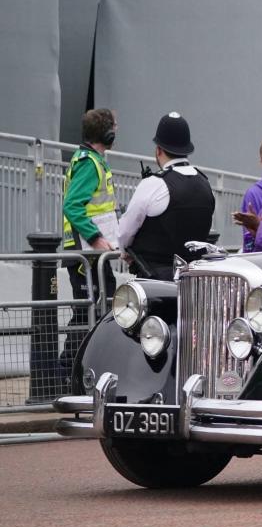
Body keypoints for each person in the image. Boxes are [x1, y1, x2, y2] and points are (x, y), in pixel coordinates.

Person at [118, 112, 215, 280]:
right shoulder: (205, 184)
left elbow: (124, 232)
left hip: (155, 282)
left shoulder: (154, 183)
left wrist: (124, 250)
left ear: (158, 150)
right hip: (194, 281)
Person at [61, 109, 121, 369]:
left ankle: (87, 367)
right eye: (114, 127)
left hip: (94, 251)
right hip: (86, 251)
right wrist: (96, 238)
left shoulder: (93, 160)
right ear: (107, 133)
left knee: (101, 305)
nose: (117, 131)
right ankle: (68, 370)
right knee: (87, 312)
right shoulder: (89, 163)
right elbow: (73, 206)